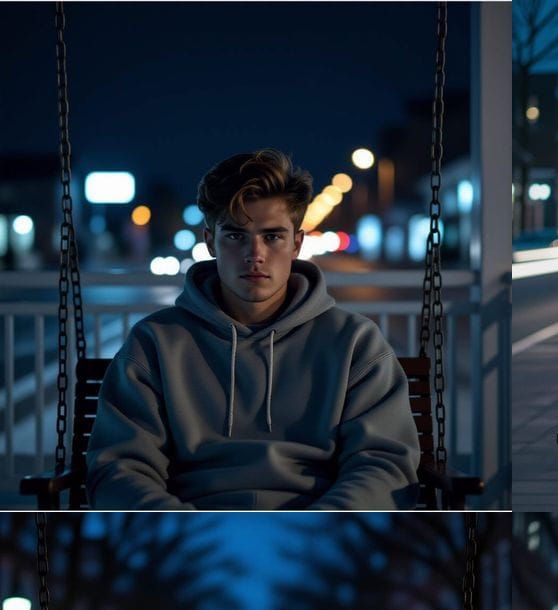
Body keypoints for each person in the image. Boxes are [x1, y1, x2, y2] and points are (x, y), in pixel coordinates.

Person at [86, 149, 420, 510]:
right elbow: (121, 466)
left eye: (273, 236)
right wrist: (191, 534)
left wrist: (312, 533)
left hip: (318, 536)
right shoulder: (154, 343)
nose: (254, 253)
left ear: (297, 243)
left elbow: (384, 464)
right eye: (235, 236)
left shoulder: (355, 342)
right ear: (210, 241)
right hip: (193, 537)